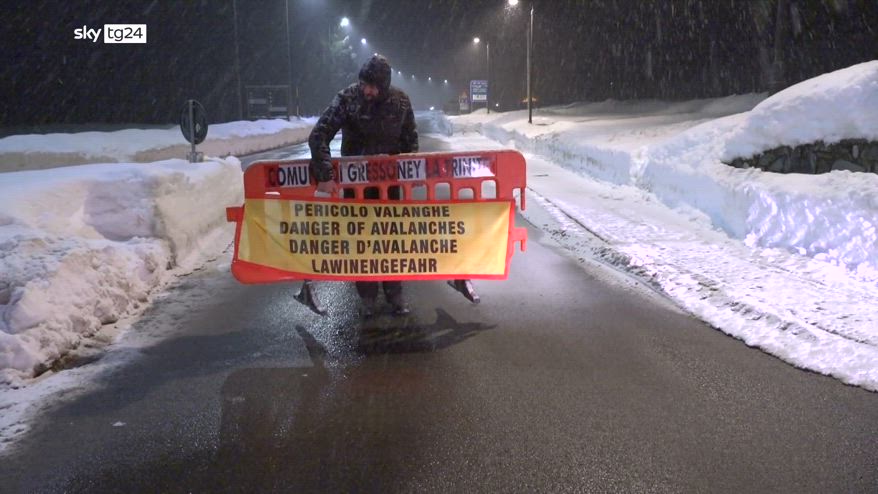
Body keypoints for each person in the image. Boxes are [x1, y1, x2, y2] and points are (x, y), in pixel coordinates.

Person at [308, 54, 418, 317]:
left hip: (390, 189)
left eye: (373, 86)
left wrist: (408, 174)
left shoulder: (400, 102)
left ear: (384, 86)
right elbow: (319, 135)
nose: (367, 90)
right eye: (364, 84)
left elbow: (410, 142)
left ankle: (395, 294)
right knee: (361, 240)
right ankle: (367, 296)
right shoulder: (347, 99)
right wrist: (325, 174)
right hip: (356, 190)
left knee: (392, 239)